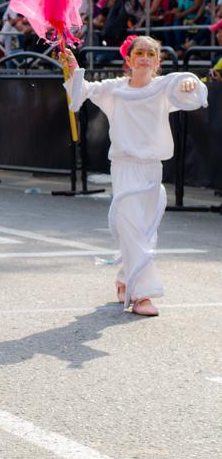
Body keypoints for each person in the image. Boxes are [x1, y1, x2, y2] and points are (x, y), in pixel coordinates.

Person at [60, 36, 207, 316]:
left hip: (151, 168)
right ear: (129, 59)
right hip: (124, 166)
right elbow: (80, 93)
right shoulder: (115, 89)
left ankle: (126, 278)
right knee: (131, 225)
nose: (144, 57)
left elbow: (190, 90)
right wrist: (73, 66)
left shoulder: (165, 87)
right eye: (139, 52)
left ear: (157, 62)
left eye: (151, 53)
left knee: (144, 229)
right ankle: (142, 295)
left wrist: (191, 84)